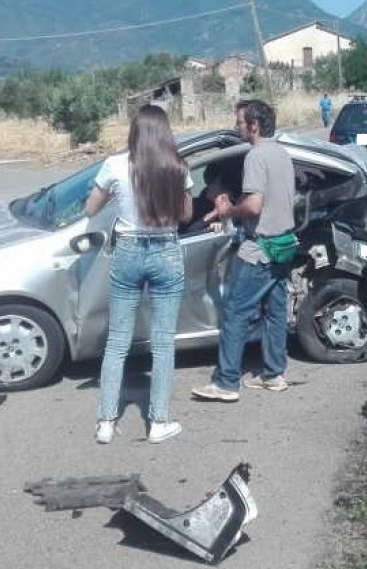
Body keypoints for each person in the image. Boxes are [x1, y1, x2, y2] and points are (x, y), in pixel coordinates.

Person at [85, 105, 194, 444]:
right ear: (164, 132)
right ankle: (158, 423)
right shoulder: (177, 167)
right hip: (165, 250)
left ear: (134, 131)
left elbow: (90, 208)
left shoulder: (115, 164)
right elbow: (187, 215)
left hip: (129, 250)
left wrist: (117, 202)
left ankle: (105, 422)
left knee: (117, 341)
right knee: (163, 343)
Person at [191, 99, 295, 402]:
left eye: (239, 121)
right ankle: (274, 374)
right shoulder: (282, 154)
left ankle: (226, 382)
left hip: (259, 248)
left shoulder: (255, 157)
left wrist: (227, 211)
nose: (236, 126)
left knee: (236, 312)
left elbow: (253, 206)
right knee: (274, 312)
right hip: (283, 245)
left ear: (254, 125)